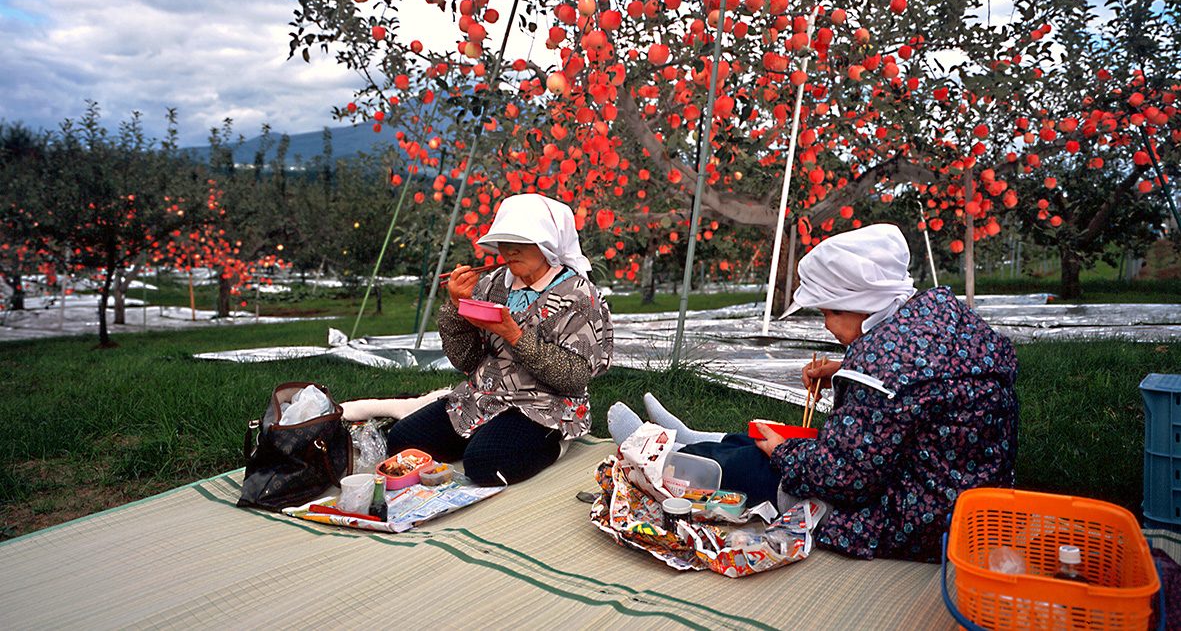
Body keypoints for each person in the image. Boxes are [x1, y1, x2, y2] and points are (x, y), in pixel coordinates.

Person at [608, 223, 1017, 562]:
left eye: (826, 313)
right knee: (765, 444)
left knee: (762, 465)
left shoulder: (880, 366)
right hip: (961, 497)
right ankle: (695, 439)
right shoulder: (934, 316)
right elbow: (928, 382)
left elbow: (844, 478)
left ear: (855, 303)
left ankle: (656, 457)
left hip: (911, 516)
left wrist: (784, 453)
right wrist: (847, 370)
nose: (825, 326)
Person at [385, 193, 613, 486]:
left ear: (548, 243)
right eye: (505, 241)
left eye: (521, 241)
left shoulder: (579, 295)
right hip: (483, 397)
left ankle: (553, 442)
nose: (509, 250)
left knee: (483, 465)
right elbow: (466, 361)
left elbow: (574, 378)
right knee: (402, 442)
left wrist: (514, 335)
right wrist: (456, 306)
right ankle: (482, 434)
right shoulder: (491, 284)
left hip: (543, 405)